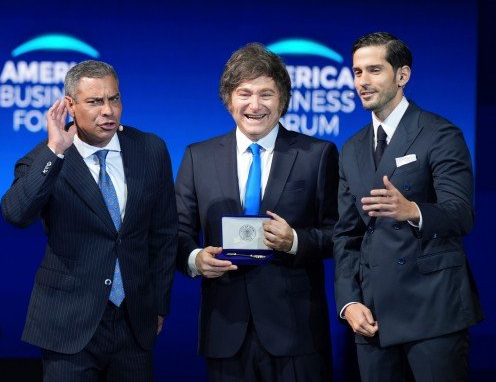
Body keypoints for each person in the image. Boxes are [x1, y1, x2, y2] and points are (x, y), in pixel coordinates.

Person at [1, 60, 177, 381]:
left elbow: (164, 234)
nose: (108, 111)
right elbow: (16, 214)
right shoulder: (45, 159)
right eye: (95, 101)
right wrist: (55, 150)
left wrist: (158, 304)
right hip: (69, 322)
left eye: (114, 99)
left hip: (134, 322)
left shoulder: (150, 149)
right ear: (70, 106)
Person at [176, 43, 338, 382]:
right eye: (244, 94)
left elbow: (339, 233)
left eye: (266, 94)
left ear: (283, 100)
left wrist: (295, 240)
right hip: (224, 329)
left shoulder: (317, 155)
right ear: (228, 99)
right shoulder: (197, 157)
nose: (255, 105)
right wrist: (195, 259)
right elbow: (176, 232)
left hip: (295, 332)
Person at [333, 32, 483, 381]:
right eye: (357, 72)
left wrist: (413, 211)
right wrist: (349, 302)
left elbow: (462, 213)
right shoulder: (351, 148)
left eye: (374, 70)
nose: (362, 82)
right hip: (373, 317)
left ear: (402, 75)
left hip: (433, 311)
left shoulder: (440, 133)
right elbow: (346, 236)